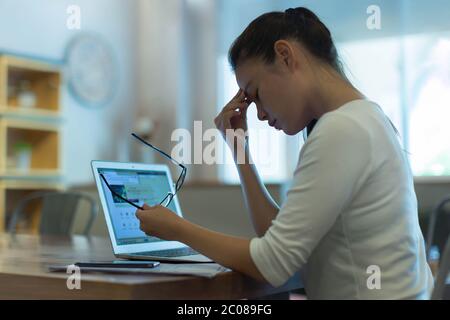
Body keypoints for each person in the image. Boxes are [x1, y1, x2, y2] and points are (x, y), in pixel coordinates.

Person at [136, 7, 433, 299]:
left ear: (285, 55)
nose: (261, 115)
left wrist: (177, 228)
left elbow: (271, 264)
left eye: (256, 94)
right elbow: (277, 239)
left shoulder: (342, 129)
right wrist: (240, 149)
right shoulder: (365, 118)